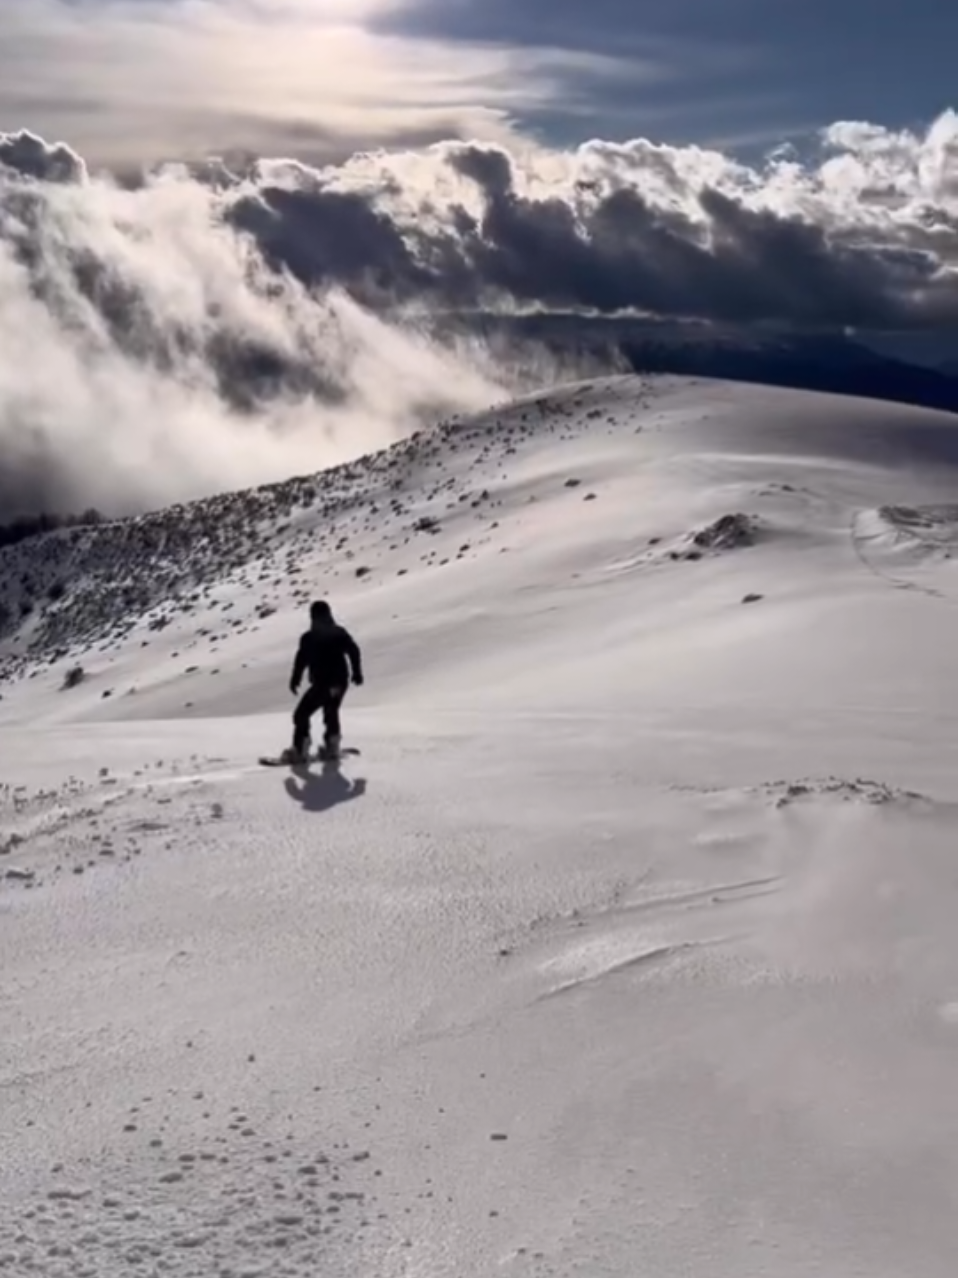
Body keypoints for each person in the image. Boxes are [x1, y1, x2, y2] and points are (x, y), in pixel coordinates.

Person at [286, 600, 363, 762]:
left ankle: (301, 749)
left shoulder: (310, 637)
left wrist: (295, 678)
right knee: (330, 711)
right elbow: (353, 650)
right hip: (340, 682)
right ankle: (331, 746)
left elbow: (302, 659)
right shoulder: (338, 633)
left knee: (302, 714)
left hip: (324, 683)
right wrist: (357, 672)